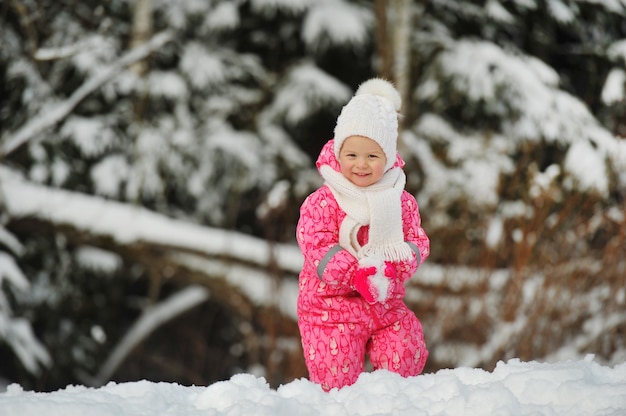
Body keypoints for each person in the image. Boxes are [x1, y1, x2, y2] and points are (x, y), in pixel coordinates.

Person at [296, 78, 430, 391]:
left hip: (384, 303)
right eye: (352, 155)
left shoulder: (399, 200)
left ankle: (394, 403)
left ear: (388, 158)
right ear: (338, 152)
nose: (361, 165)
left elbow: (416, 242)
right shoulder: (323, 201)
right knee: (336, 378)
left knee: (404, 351)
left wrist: (392, 268)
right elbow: (316, 244)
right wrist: (354, 273)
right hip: (331, 307)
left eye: (372, 156)